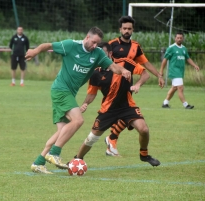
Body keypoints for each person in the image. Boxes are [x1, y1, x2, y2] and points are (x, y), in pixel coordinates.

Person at [25, 27, 132, 174]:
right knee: (78, 120)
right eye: (93, 42)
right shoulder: (71, 45)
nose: (95, 46)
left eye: (98, 43)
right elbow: (48, 45)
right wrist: (35, 51)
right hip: (60, 90)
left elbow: (113, 66)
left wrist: (124, 70)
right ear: (87, 37)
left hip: (68, 93)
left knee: (62, 131)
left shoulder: (98, 54)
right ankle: (54, 153)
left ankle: (38, 162)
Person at [73, 42, 161, 167]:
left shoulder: (125, 63)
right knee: (92, 138)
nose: (98, 57)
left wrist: (138, 84)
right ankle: (77, 159)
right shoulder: (95, 73)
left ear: (109, 53)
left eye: (101, 54)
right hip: (108, 110)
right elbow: (92, 94)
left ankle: (144, 155)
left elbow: (145, 74)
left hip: (127, 106)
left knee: (144, 129)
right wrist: (85, 104)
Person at [104, 15, 165, 157]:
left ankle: (111, 141)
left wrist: (159, 75)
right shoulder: (112, 44)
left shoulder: (135, 47)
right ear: (120, 29)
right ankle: (111, 140)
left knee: (126, 115)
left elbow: (146, 63)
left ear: (132, 30)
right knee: (128, 114)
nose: (126, 31)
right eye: (124, 28)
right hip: (112, 86)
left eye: (129, 29)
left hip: (127, 86)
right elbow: (102, 60)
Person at [160, 32, 200, 109]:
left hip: (180, 72)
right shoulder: (171, 48)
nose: (179, 39)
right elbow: (164, 60)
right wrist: (161, 71)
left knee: (174, 88)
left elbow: (188, 58)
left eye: (180, 38)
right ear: (175, 38)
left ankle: (165, 103)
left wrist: (194, 65)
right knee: (180, 88)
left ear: (183, 39)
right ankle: (186, 105)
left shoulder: (184, 49)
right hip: (174, 71)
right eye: (177, 38)